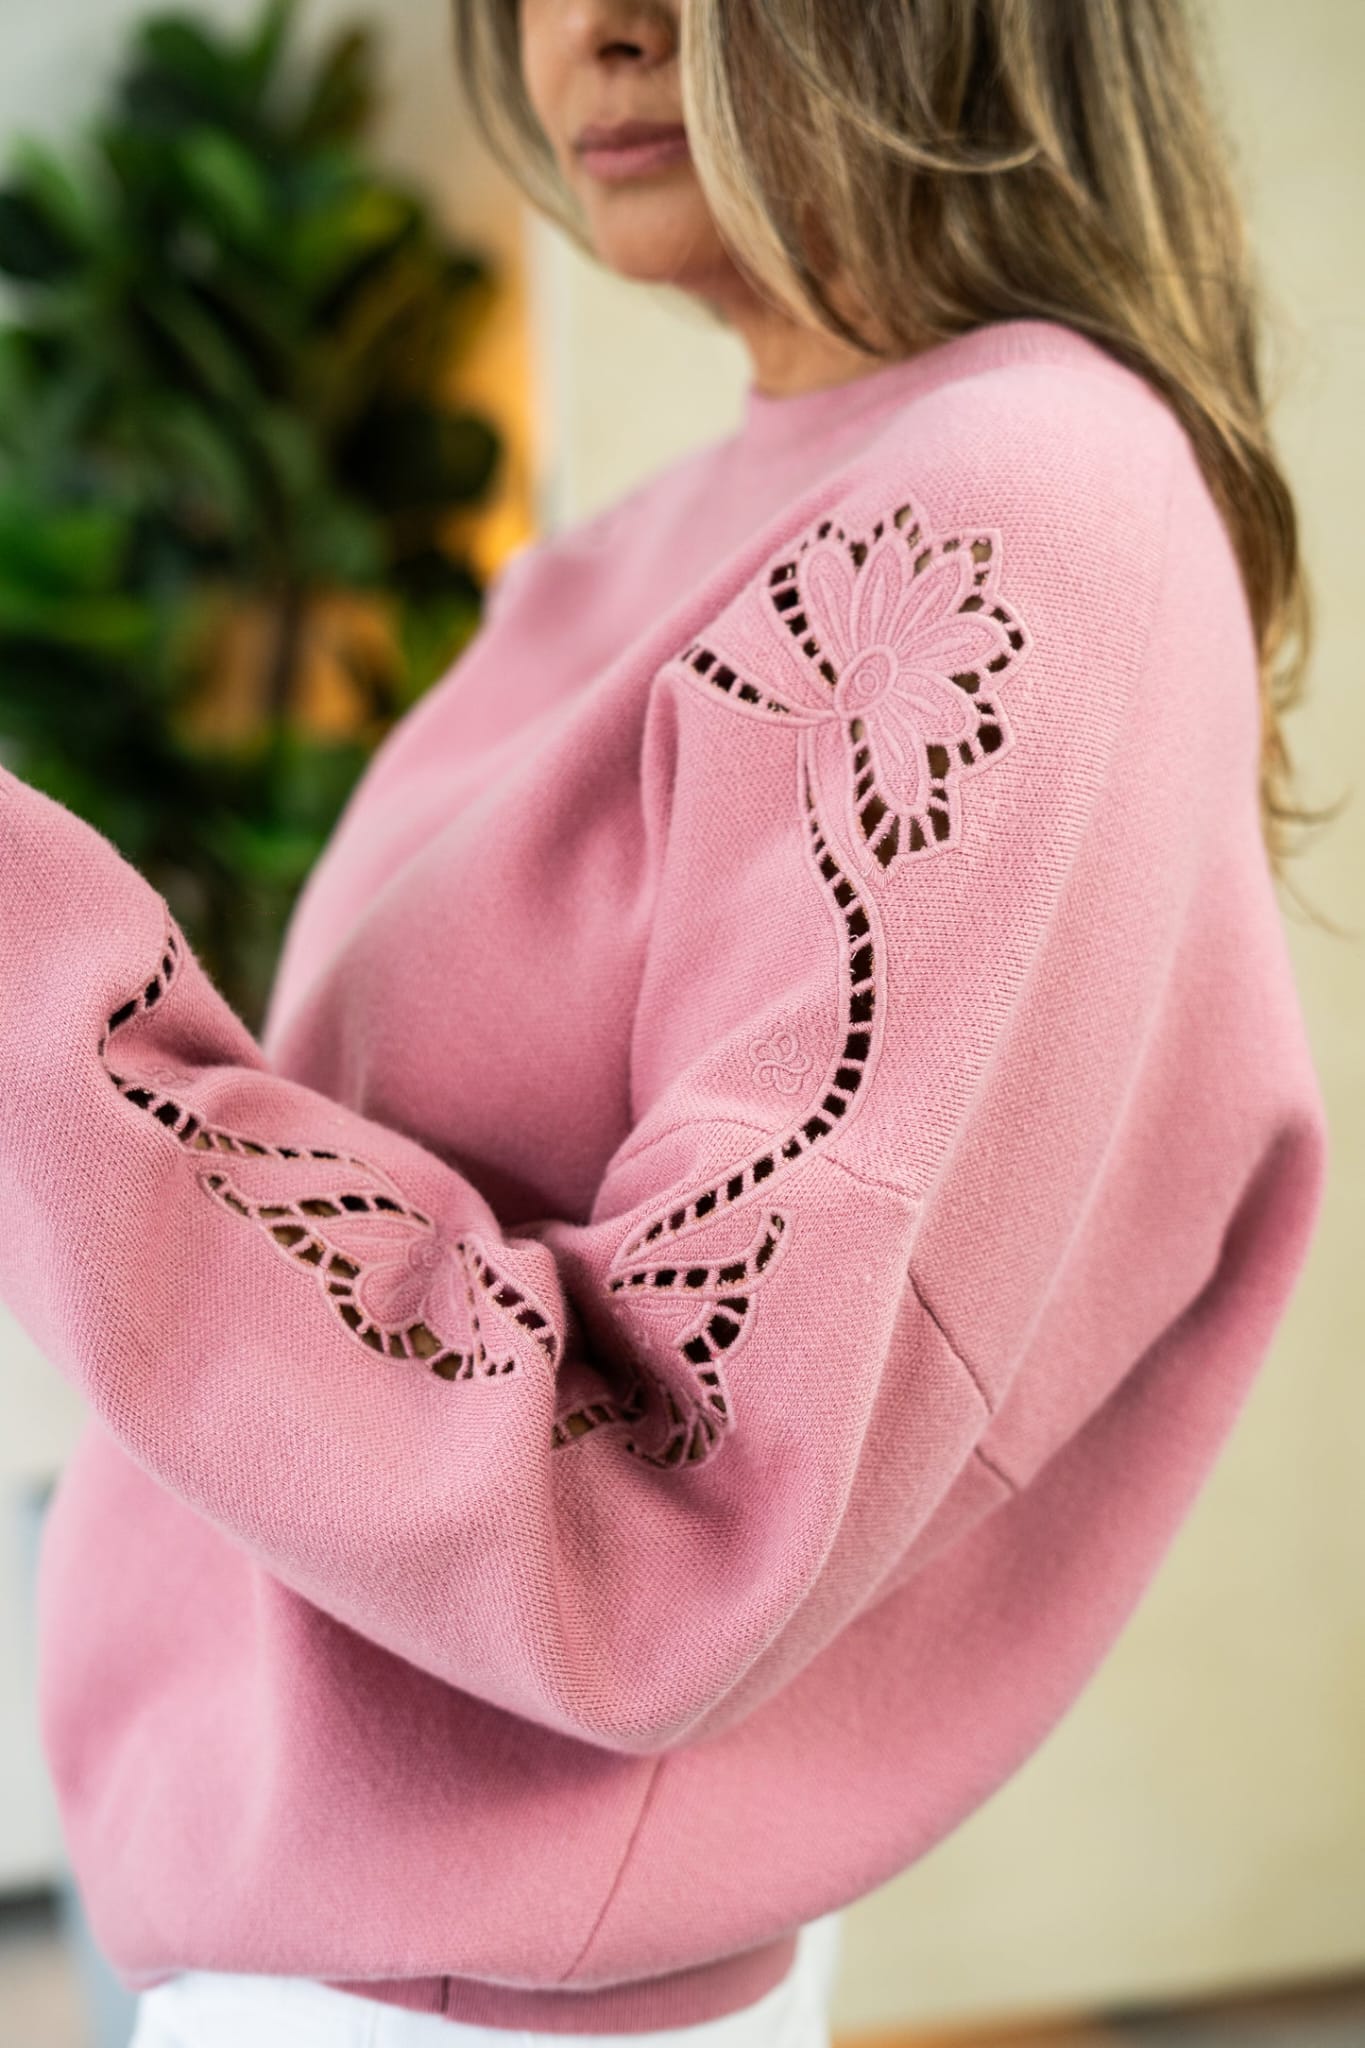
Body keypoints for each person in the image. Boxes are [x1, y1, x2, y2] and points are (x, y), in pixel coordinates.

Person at [0, 1, 1330, 2044]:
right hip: (336, 1946)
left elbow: (661, 1524)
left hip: (459, 2000)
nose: (595, 29)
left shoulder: (1002, 508)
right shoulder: (711, 522)